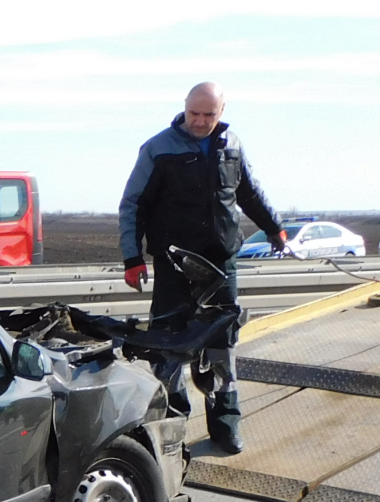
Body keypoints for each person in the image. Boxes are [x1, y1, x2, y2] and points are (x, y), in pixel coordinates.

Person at [117, 82, 283, 454]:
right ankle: (171, 426)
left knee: (222, 345)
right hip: (174, 265)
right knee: (169, 346)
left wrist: (274, 227)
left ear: (221, 112)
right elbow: (133, 205)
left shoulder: (232, 145)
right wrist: (132, 258)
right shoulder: (158, 149)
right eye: (195, 113)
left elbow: (249, 193)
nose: (201, 121)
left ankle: (225, 423)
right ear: (184, 108)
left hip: (221, 262)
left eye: (209, 114)